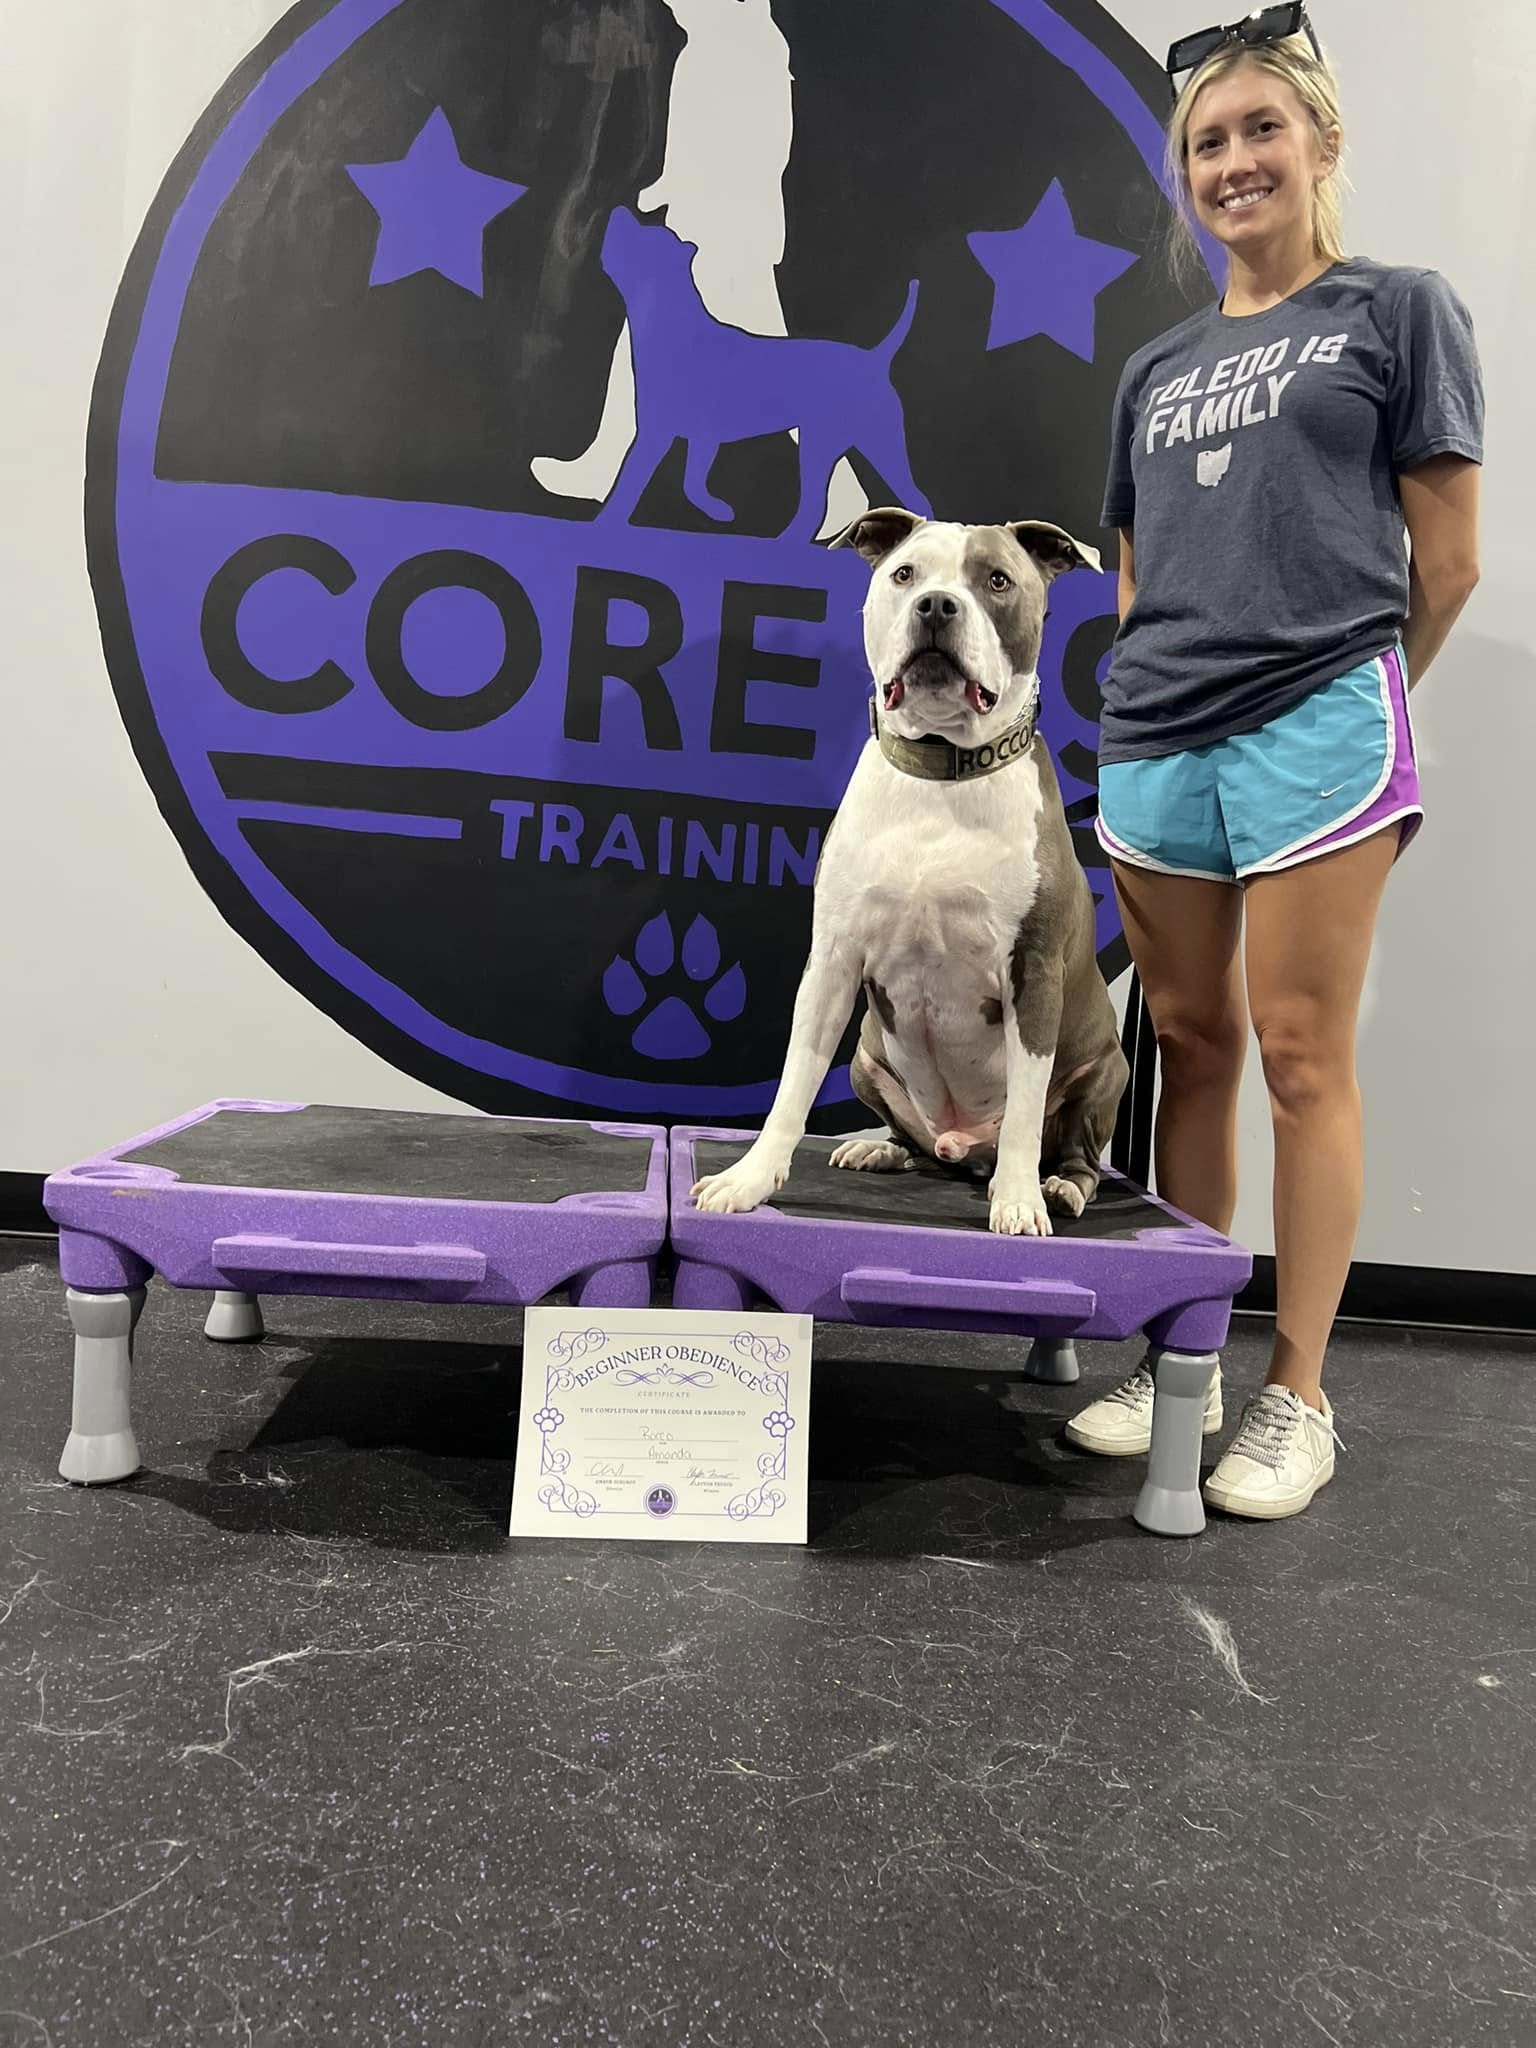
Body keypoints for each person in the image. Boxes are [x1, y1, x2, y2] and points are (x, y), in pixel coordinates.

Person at [1065, 6, 1484, 1517]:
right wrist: (1162, 687)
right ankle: (1179, 1361)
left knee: (1303, 1057)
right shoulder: (1155, 366)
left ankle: (1298, 1391)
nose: (1233, 163)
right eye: (1206, 144)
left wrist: (1357, 697)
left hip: (1319, 720)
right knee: (1193, 1049)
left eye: (1259, 132)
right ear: (1183, 178)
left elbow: (1447, 561)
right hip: (1161, 736)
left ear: (1320, 146)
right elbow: (1133, 564)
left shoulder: (1396, 311)